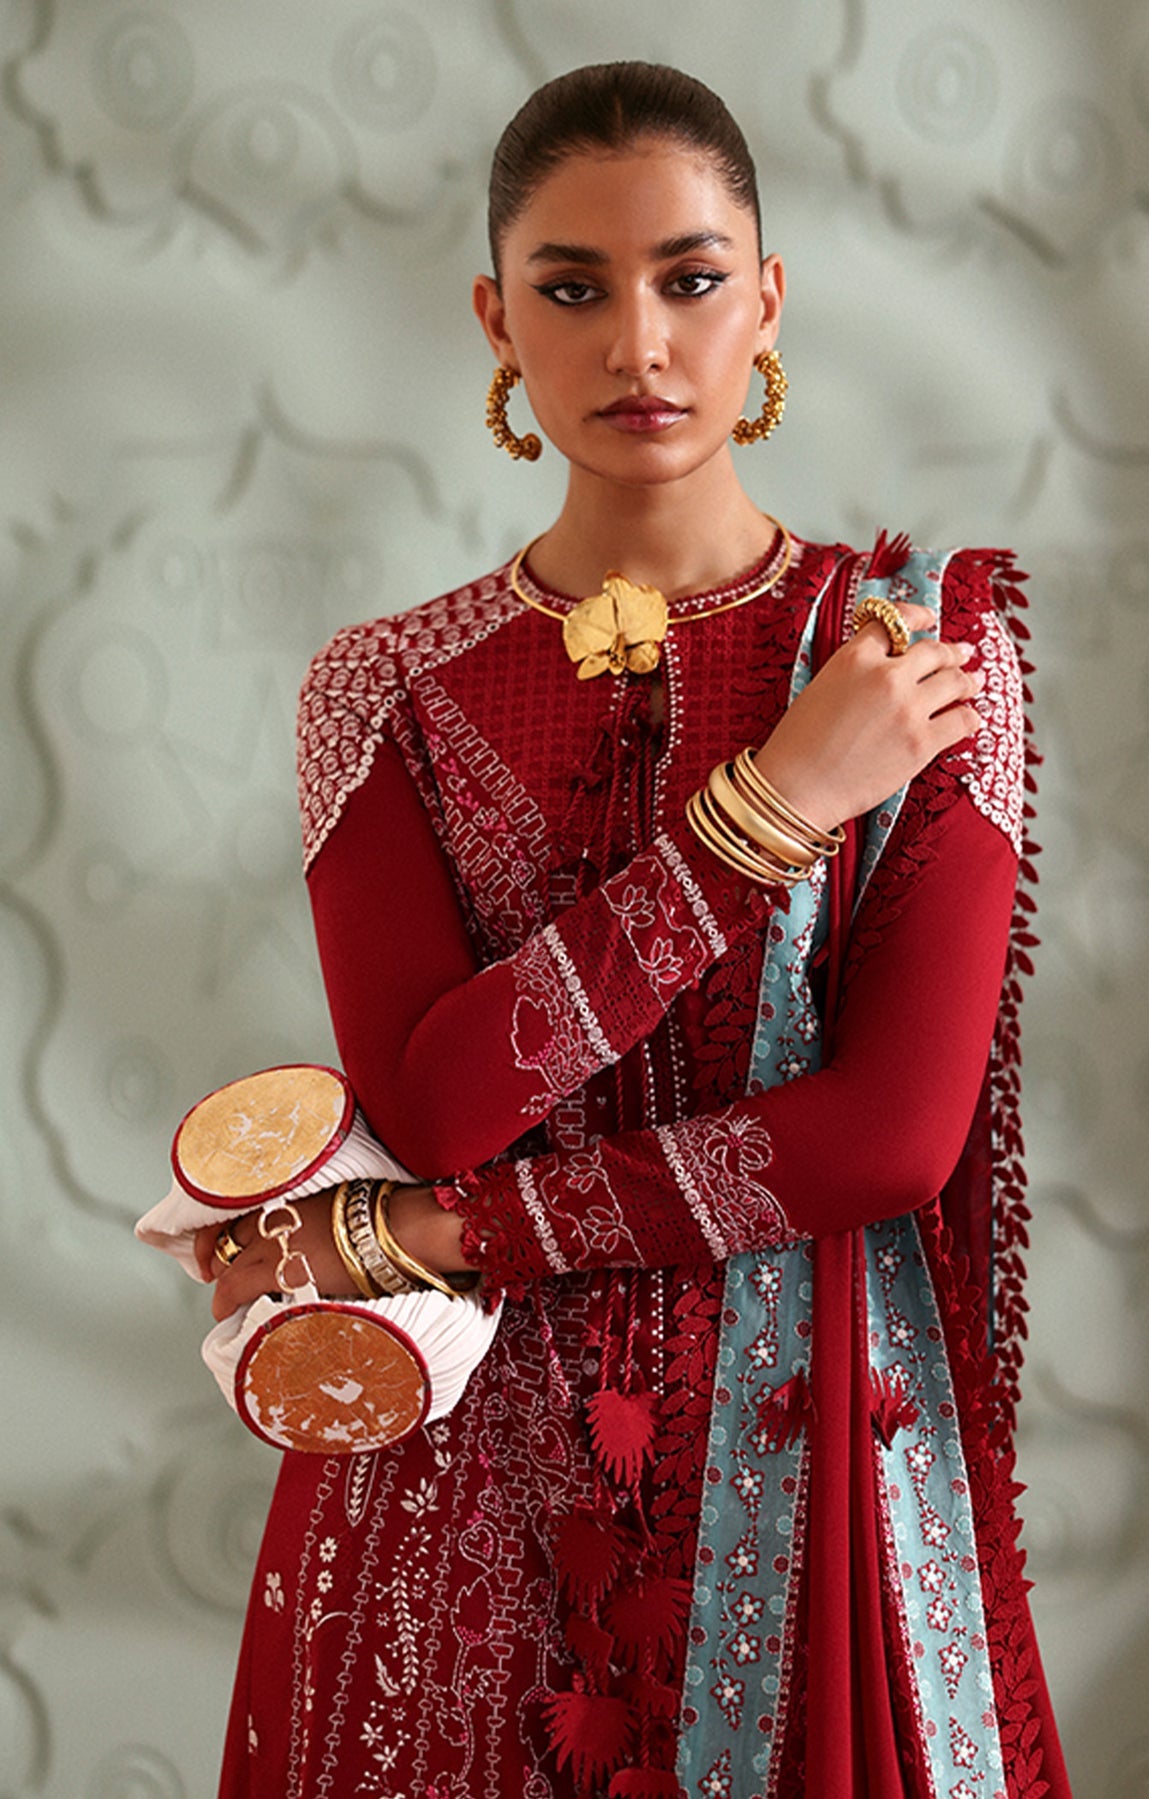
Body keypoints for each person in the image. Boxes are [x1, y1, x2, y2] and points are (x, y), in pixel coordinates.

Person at [189, 60, 1070, 1798]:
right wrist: (772, 809)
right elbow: (438, 1101)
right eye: (573, 289)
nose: (639, 344)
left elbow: (890, 1137)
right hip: (463, 1498)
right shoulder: (386, 690)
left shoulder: (914, 657)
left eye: (689, 279)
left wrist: (441, 1233)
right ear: (495, 320)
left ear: (768, 300)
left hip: (803, 1461)